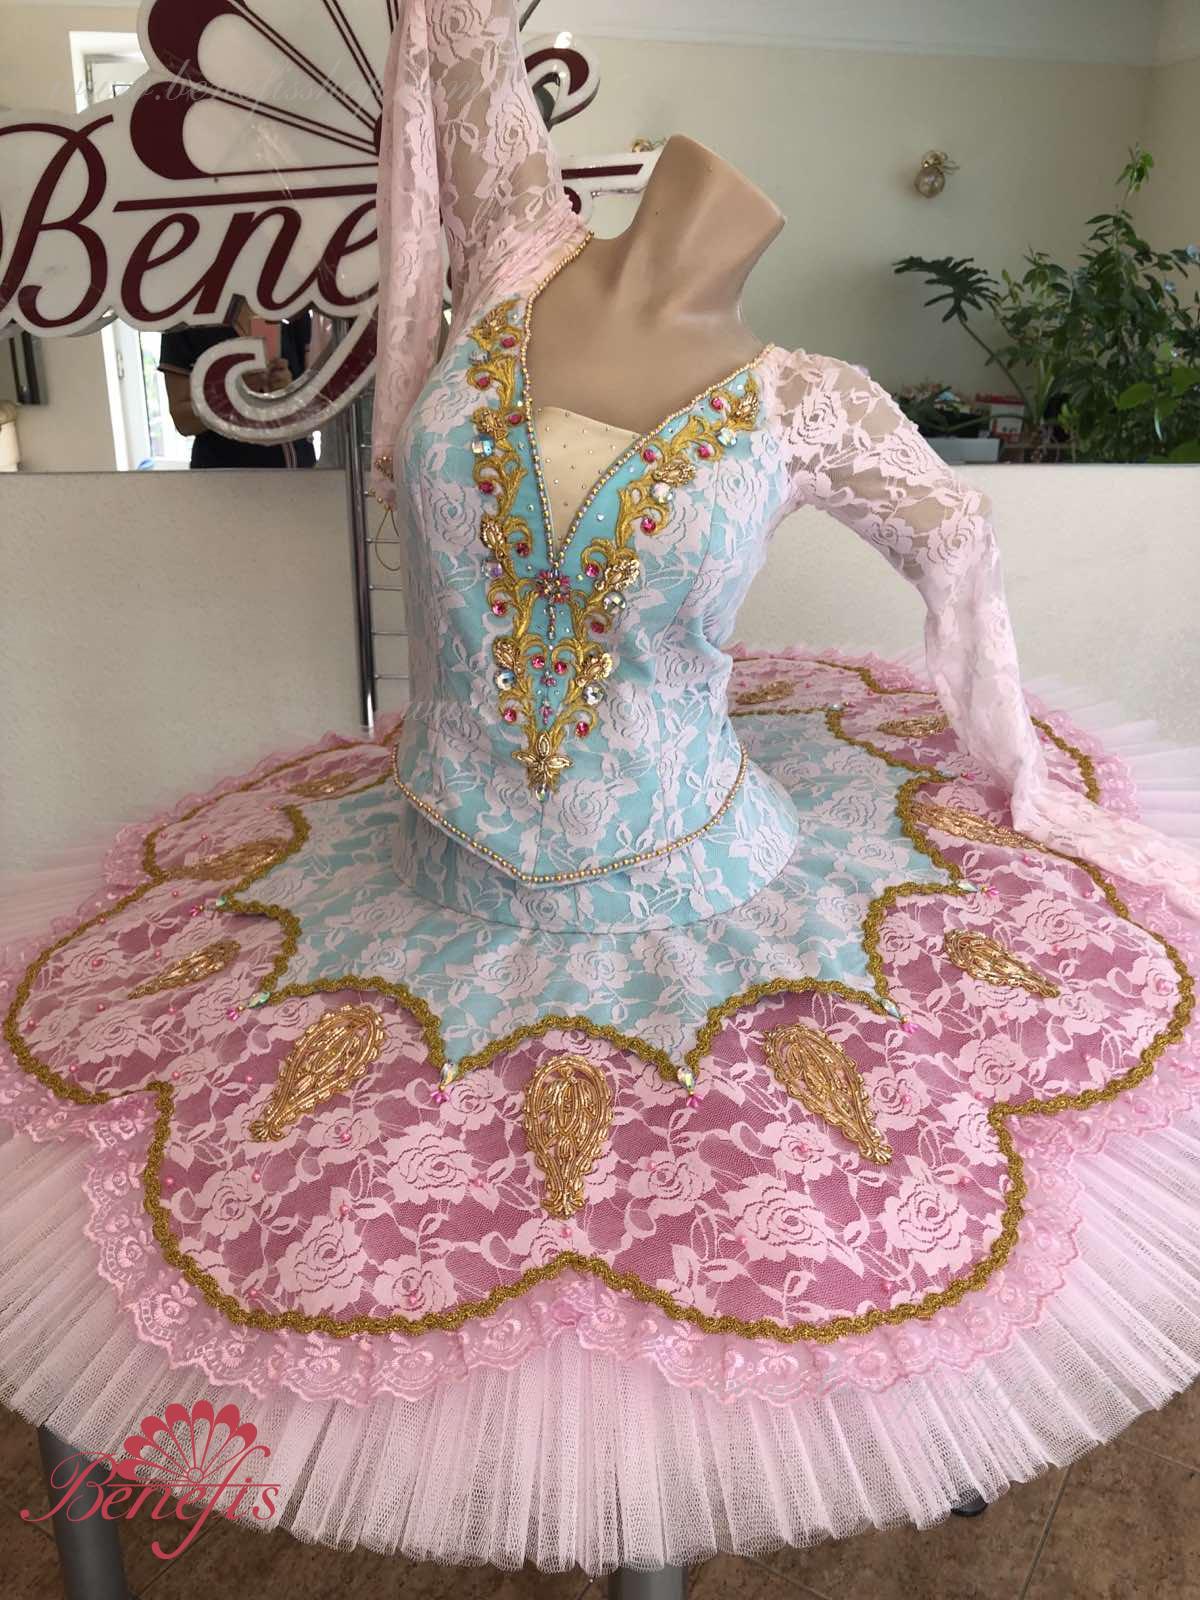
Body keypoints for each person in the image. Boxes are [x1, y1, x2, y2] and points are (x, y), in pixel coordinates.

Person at [2, 0, 1199, 1582]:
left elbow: (957, 548)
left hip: (700, 896)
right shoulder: (514, 252)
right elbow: (453, 46)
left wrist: (1016, 771)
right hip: (414, 878)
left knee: (696, 1285)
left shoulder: (808, 403)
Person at [158, 296, 317, 468]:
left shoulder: (290, 307)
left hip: (298, 471)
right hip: (226, 474)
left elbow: (318, 406)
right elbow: (183, 421)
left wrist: (291, 392)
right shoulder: (185, 319)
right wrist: (231, 395)